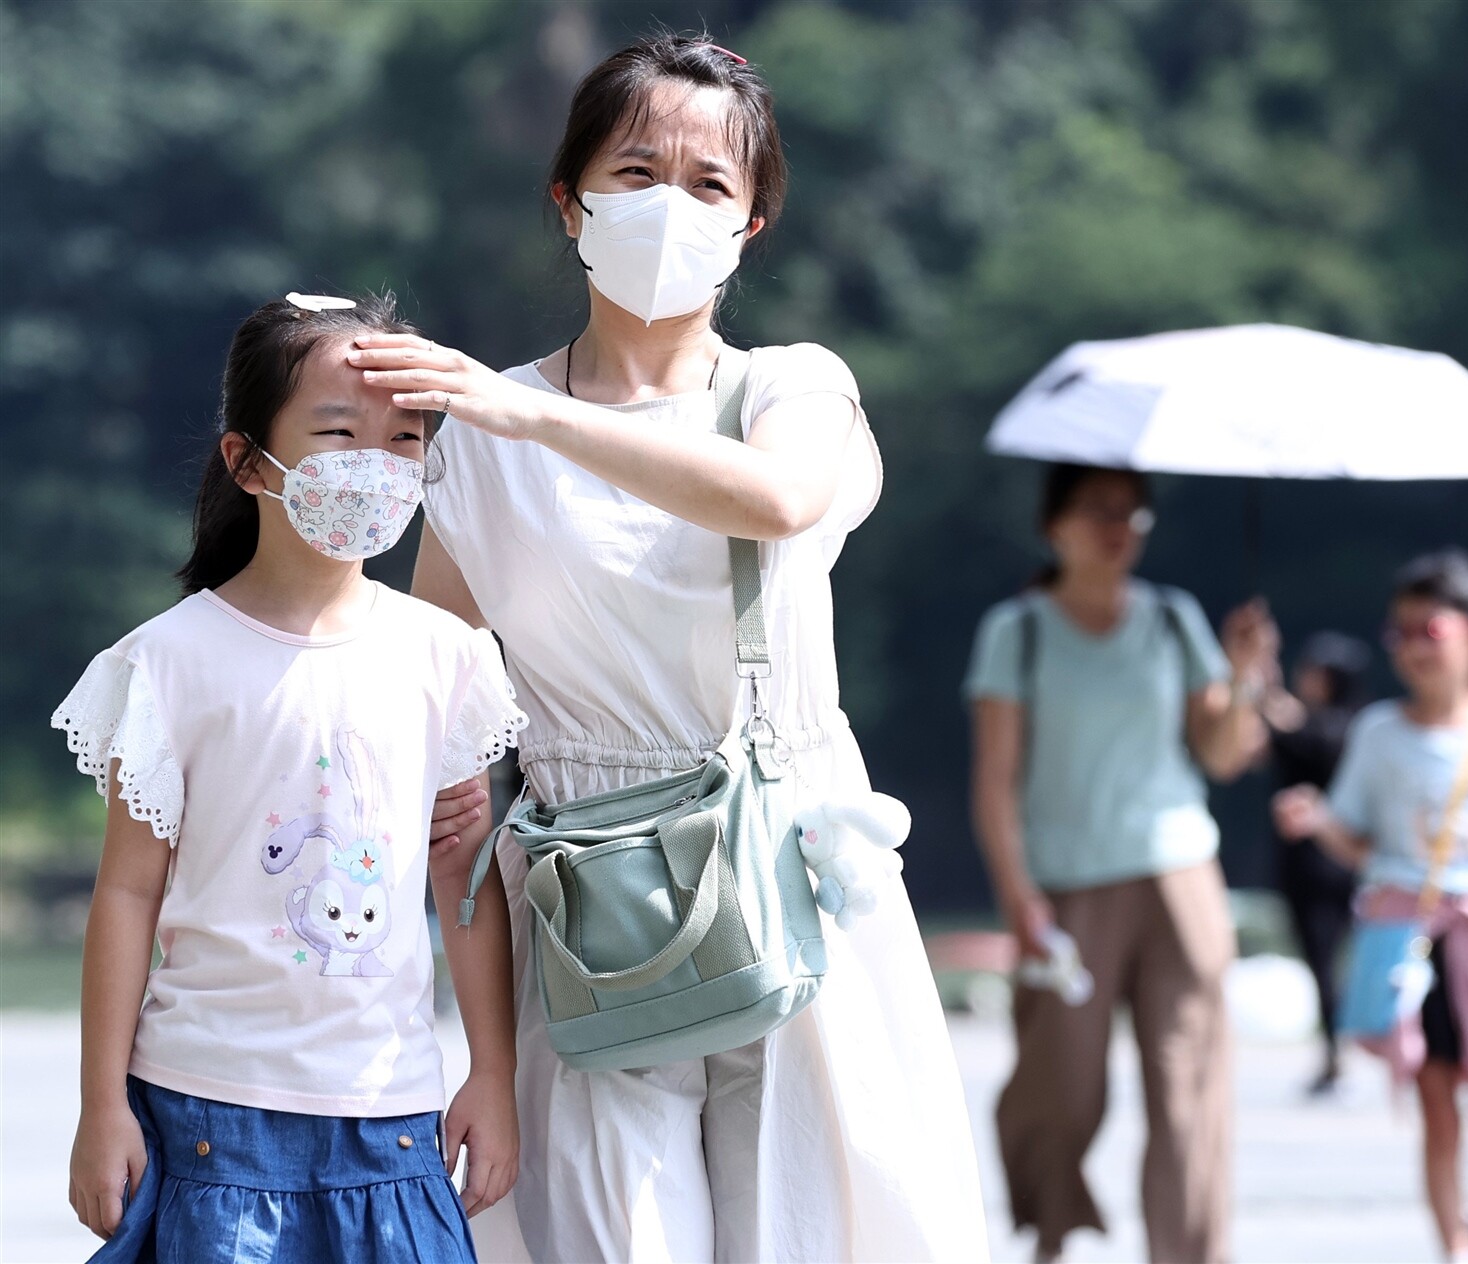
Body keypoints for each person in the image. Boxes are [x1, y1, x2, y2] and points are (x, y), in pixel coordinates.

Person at [348, 34, 991, 1263]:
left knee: (820, 1233)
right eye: (636, 170)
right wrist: (474, 1047)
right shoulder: (476, 445)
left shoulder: (792, 391)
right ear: (570, 200)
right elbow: (438, 749)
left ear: (753, 226)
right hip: (589, 908)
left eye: (710, 185)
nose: (668, 205)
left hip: (797, 883)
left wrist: (530, 410)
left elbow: (778, 501)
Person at [51, 295, 528, 1263]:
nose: (376, 463)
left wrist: (493, 1074)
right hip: (205, 1111)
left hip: (390, 1113)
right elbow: (128, 889)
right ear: (245, 460)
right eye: (339, 431)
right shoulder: (167, 662)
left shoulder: (447, 655)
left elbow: (463, 879)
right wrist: (102, 1106)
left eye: (404, 437)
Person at [964, 462, 1277, 1264]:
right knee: (1060, 1086)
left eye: (1134, 515)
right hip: (1068, 889)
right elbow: (995, 783)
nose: (1119, 528)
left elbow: (1223, 753)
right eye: (1100, 510)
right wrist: (1018, 896)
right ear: (1055, 525)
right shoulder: (1019, 630)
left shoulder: (1175, 620)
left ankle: (1192, 1253)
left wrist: (1242, 679)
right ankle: (1053, 1228)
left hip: (1181, 877)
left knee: (1189, 1093)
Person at [1274, 550, 1468, 1264]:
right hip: (1410, 941)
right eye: (1402, 633)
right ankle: (1452, 1245)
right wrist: (1319, 822)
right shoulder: (1378, 735)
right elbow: (1359, 841)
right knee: (1438, 1108)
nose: (1414, 647)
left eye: (1431, 630)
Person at [1260, 631, 1370, 1095]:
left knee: (1325, 962)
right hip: (1349, 862)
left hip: (1318, 864)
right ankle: (1341, 1047)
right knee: (1337, 962)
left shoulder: (1324, 731)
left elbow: (1285, 729)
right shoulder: (1363, 729)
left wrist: (1263, 681)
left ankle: (1338, 1052)